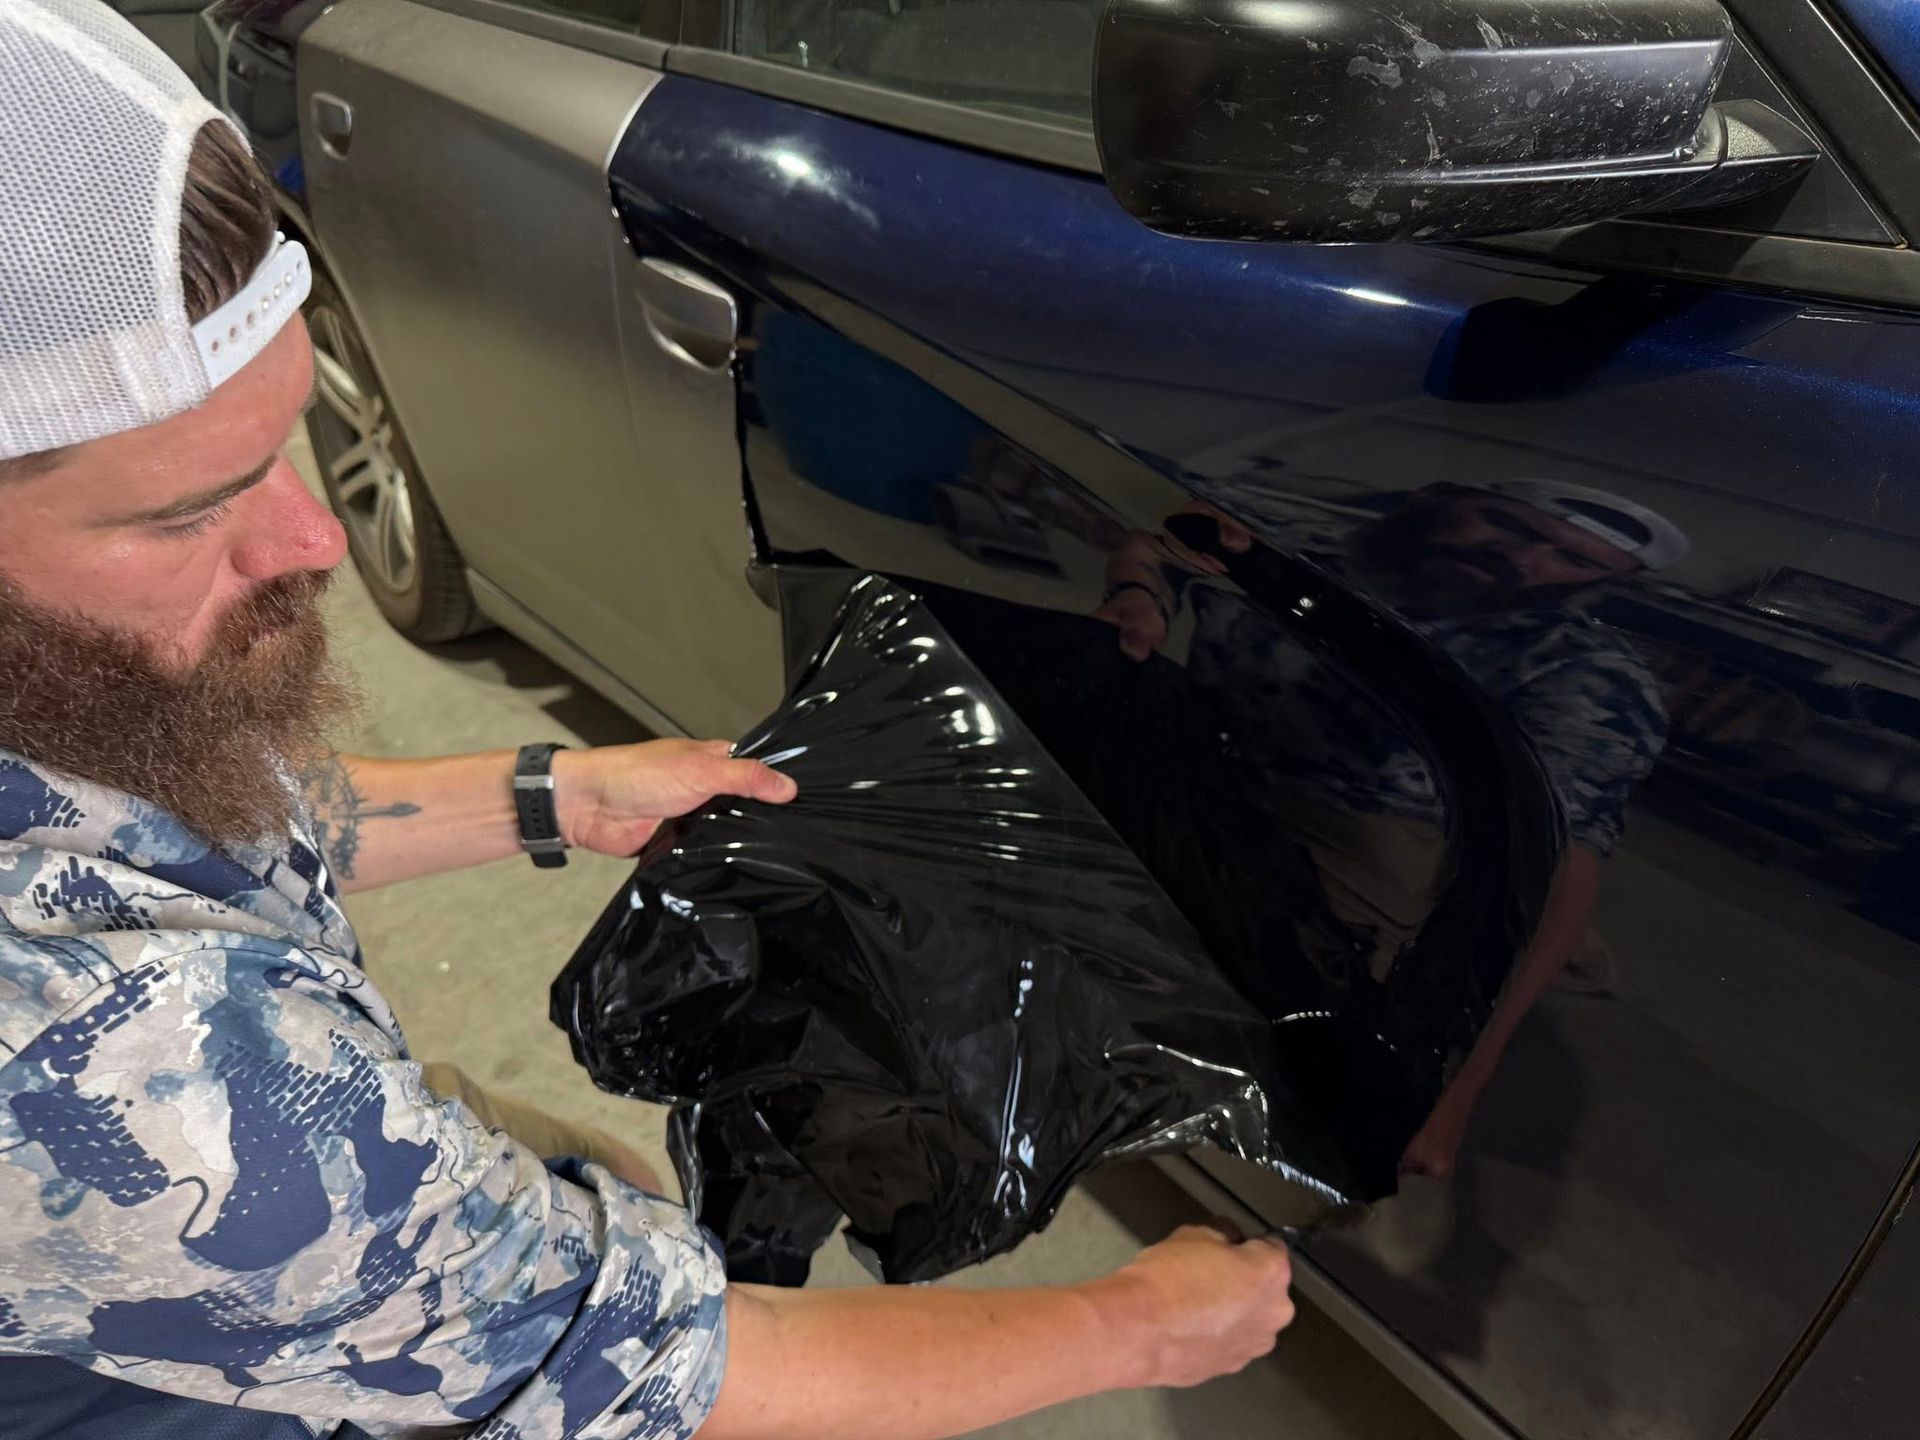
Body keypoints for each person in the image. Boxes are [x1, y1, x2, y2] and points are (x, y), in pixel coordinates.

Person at [0, 4, 1295, 1437]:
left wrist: (555, 792)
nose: (311, 540)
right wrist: (1138, 1325)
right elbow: (662, 1371)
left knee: (595, 1191)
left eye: (275, 453)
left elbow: (198, 824)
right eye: (184, 513)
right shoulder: (122, 1073)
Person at [1098, 477, 1684, 1180]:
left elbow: (1559, 863)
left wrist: (1452, 1092)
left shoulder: (1585, 674)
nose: (1526, 564)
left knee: (1282, 1023)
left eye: (1573, 562)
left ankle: (1559, 953)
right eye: (1509, 526)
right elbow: (1156, 545)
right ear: (1437, 498)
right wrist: (1139, 594)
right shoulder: (1286, 537)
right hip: (1219, 755)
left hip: (1375, 825)